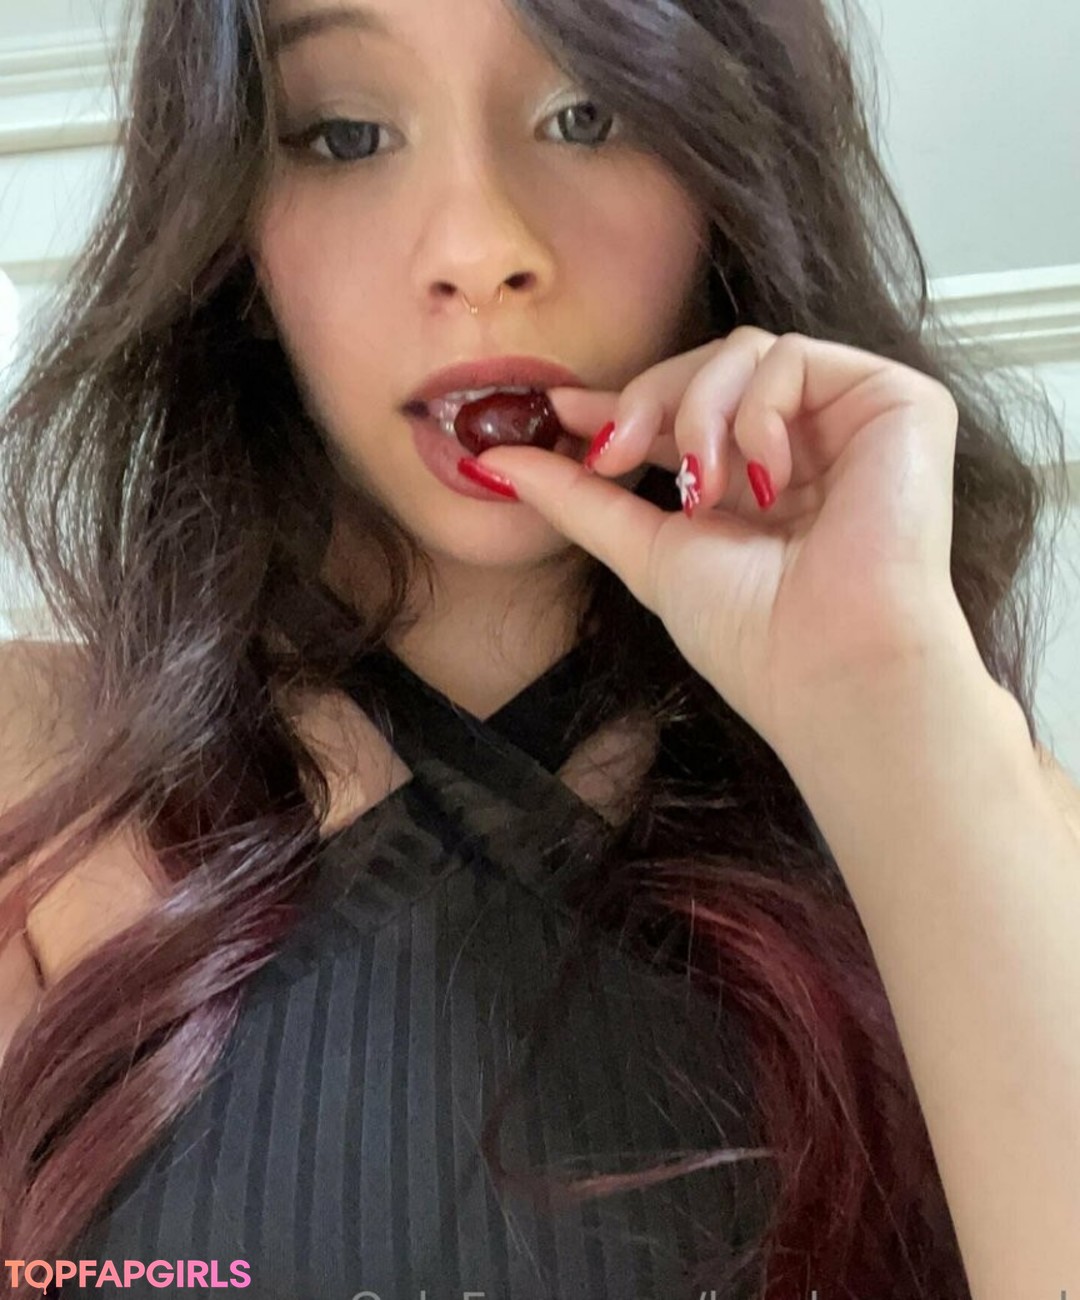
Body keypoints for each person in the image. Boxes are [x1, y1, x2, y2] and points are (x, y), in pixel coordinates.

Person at [1, 0, 1078, 1295]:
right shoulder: (41, 784)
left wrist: (886, 699)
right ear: (231, 229)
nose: (480, 248)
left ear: (728, 171)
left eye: (586, 115)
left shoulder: (976, 815)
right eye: (345, 133)